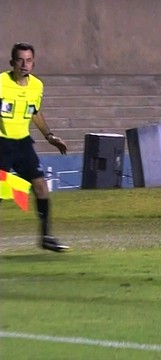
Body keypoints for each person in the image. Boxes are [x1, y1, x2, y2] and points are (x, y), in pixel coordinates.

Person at [0, 42, 69, 252]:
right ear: (12, 62)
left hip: (22, 144)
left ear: (33, 63)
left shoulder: (37, 86)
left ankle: (46, 236)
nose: (24, 64)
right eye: (20, 60)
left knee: (41, 186)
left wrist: (49, 136)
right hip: (1, 143)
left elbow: (35, 111)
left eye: (28, 60)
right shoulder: (1, 82)